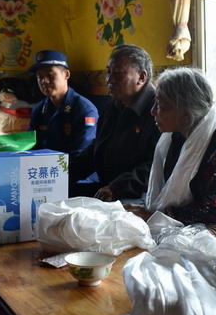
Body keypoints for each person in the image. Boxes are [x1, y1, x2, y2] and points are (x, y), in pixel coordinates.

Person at [123, 67, 216, 257]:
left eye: (161, 106)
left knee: (181, 251)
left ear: (185, 113)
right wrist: (150, 213)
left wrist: (156, 215)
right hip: (200, 217)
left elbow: (213, 210)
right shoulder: (177, 136)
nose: (153, 112)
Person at [69, 44, 161, 200]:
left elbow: (156, 165)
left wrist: (118, 188)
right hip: (108, 189)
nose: (109, 79)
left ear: (141, 77)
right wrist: (63, 174)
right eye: (108, 72)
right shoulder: (114, 106)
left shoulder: (158, 109)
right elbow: (96, 149)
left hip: (140, 195)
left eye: (118, 73)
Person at [29, 49, 98, 153]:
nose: (44, 81)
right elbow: (31, 146)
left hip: (73, 163)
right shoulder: (39, 110)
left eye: (50, 75)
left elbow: (82, 153)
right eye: (40, 76)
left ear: (66, 74)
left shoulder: (84, 110)